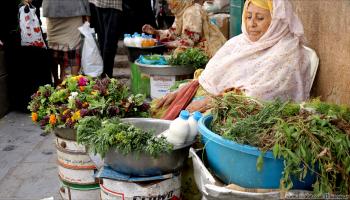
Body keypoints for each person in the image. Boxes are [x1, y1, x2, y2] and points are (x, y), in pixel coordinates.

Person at [154, 0, 311, 119]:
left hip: (235, 110)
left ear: (277, 21)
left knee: (185, 130)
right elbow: (209, 77)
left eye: (260, 18)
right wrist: (184, 90)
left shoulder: (287, 52)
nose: (251, 24)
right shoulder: (239, 43)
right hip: (209, 98)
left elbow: (261, 96)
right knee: (159, 110)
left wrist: (210, 102)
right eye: (248, 17)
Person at [142, 0, 227, 58]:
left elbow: (190, 41)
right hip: (196, 47)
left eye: (170, 3)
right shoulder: (181, 13)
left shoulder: (191, 12)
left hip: (210, 49)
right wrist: (155, 31)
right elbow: (173, 32)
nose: (169, 7)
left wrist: (164, 45)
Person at [42, 0, 90, 86]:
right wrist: (87, 11)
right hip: (74, 8)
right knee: (72, 48)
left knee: (55, 47)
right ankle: (71, 85)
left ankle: (59, 82)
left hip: (53, 8)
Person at [89, 0, 123, 78]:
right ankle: (105, 77)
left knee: (106, 42)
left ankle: (105, 76)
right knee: (106, 42)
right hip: (106, 5)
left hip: (109, 5)